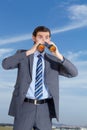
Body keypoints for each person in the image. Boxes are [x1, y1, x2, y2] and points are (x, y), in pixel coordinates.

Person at [2, 26, 78, 130]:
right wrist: (30, 51)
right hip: (24, 106)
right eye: (40, 37)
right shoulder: (23, 55)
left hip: (45, 109)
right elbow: (5, 65)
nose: (43, 40)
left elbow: (73, 73)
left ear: (49, 40)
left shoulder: (53, 60)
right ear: (34, 38)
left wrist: (58, 55)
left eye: (46, 37)